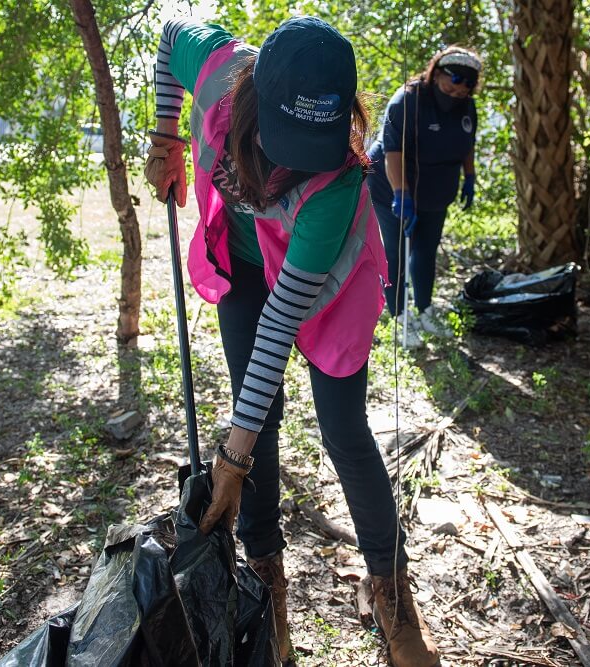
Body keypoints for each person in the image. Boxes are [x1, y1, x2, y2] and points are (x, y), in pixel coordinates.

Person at [145, 16, 440, 667]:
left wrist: (231, 453)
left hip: (324, 283)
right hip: (246, 263)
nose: (301, 156)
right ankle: (268, 585)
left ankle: (393, 597)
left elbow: (283, 320)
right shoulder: (220, 68)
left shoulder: (339, 181)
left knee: (343, 429)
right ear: (253, 98)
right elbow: (169, 38)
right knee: (264, 418)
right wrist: (166, 133)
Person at [367, 47, 482, 348]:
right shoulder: (407, 101)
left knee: (426, 249)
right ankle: (400, 315)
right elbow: (393, 151)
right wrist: (401, 195)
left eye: (467, 84)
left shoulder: (467, 106)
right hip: (391, 184)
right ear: (437, 72)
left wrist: (469, 177)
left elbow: (467, 142)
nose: (459, 88)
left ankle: (425, 309)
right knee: (397, 251)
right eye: (454, 79)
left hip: (436, 189)